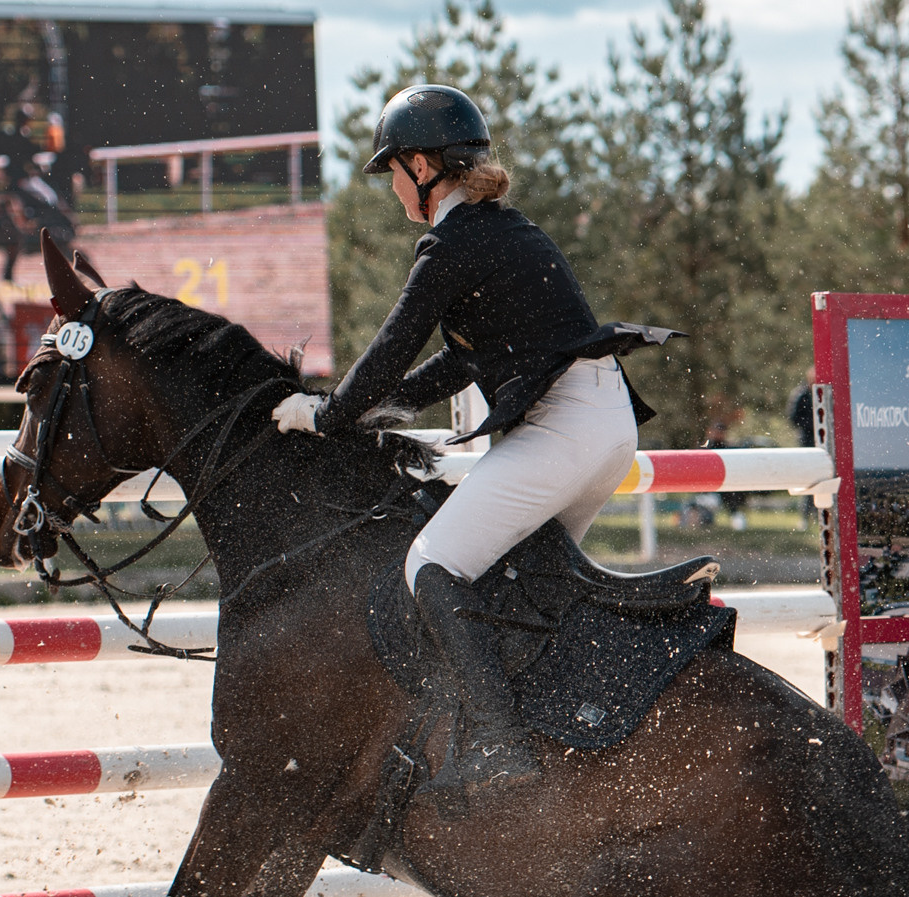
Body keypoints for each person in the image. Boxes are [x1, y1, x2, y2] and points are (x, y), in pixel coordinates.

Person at [271, 84, 659, 807]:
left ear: (421, 166)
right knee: (519, 577)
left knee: (432, 564)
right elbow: (458, 362)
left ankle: (499, 744)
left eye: (392, 173)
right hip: (607, 425)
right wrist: (383, 410)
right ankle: (563, 726)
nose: (391, 189)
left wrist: (327, 415)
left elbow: (393, 343)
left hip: (563, 430)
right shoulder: (504, 230)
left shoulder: (450, 242)